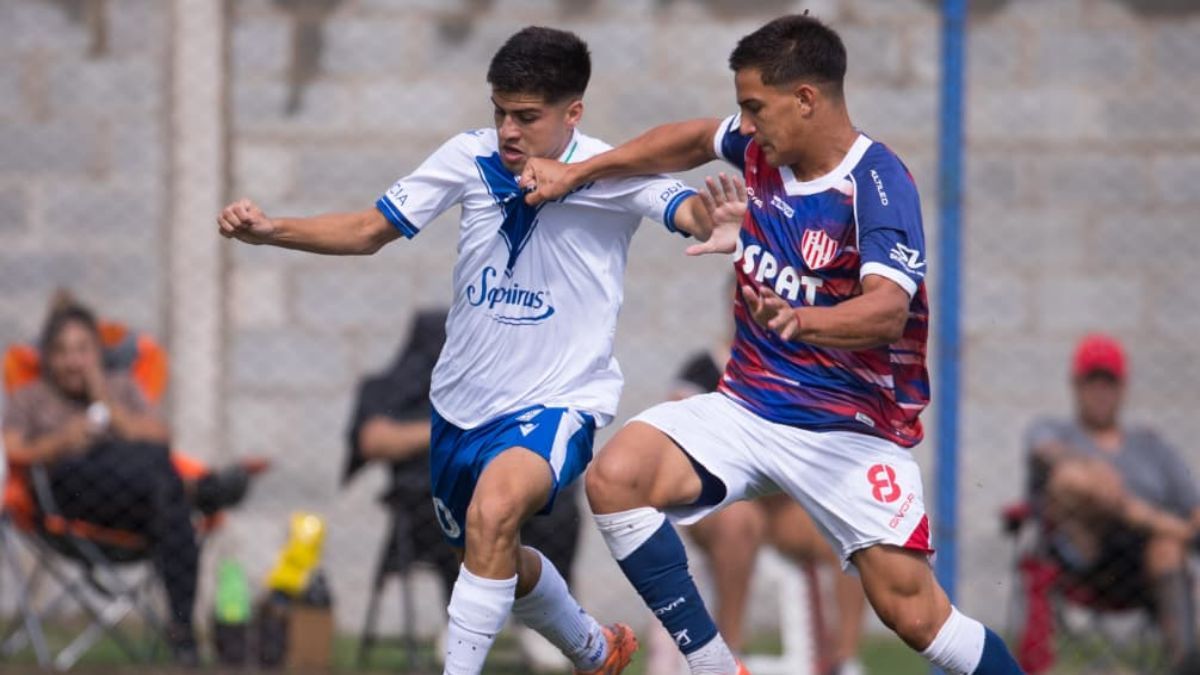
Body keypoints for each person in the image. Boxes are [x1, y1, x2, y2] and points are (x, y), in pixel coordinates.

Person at [520, 14, 1023, 675]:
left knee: (915, 617)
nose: (745, 125)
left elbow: (888, 310)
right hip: (747, 408)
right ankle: (715, 665)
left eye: (755, 107)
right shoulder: (761, 148)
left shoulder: (875, 183)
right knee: (617, 477)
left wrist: (803, 320)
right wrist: (580, 170)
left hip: (847, 432)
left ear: (806, 99)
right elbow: (694, 138)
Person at [218, 26, 728, 675]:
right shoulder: (468, 157)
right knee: (492, 556)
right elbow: (371, 228)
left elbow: (684, 207)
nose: (508, 130)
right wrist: (271, 231)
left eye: (527, 116)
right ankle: (596, 649)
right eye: (499, 111)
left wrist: (717, 220)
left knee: (493, 511)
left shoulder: (611, 171)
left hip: (557, 404)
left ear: (573, 113)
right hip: (459, 412)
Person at [344, 308, 585, 672]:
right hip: (429, 504)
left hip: (508, 503)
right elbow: (373, 439)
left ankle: (541, 619)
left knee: (554, 504)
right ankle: (460, 617)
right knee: (457, 510)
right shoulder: (390, 387)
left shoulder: (497, 386)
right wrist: (450, 431)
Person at [646, 284, 866, 675]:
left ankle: (844, 659)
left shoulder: (796, 369)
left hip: (780, 505)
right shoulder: (703, 369)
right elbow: (677, 444)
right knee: (738, 523)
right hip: (719, 505)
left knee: (852, 528)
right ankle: (728, 654)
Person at [1, 302, 200, 664]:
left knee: (162, 484)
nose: (73, 362)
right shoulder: (33, 395)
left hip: (136, 503)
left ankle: (182, 629)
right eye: (61, 352)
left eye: (82, 350)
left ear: (98, 353)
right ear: (47, 358)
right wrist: (62, 440)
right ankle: (183, 633)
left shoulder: (119, 387)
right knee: (167, 487)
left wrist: (105, 401)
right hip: (71, 495)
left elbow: (160, 435)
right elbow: (11, 448)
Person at [1026, 333, 1200, 668]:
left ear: (1122, 388)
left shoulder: (1150, 445)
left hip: (1145, 563)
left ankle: (1187, 663)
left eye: (1109, 383)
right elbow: (1047, 456)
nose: (1100, 392)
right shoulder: (1053, 430)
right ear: (1076, 386)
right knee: (1073, 479)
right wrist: (1101, 476)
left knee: (1167, 544)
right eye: (1092, 382)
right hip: (1082, 554)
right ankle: (1156, 522)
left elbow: (1193, 508)